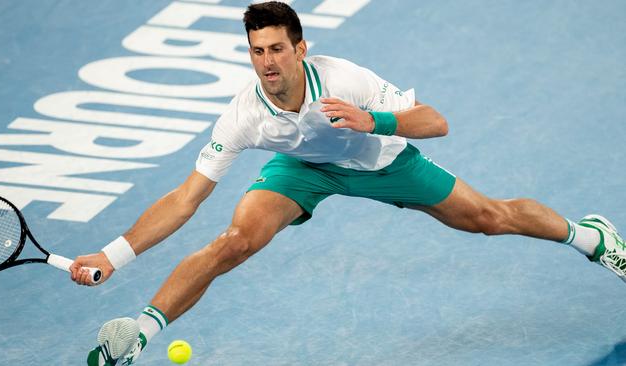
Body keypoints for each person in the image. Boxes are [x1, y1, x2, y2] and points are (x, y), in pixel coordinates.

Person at [72, 2, 625, 365]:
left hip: (381, 160)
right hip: (302, 170)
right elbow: (185, 199)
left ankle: (591, 237)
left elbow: (437, 122)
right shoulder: (243, 114)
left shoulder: (345, 79)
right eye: (257, 50)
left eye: (277, 49)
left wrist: (375, 121)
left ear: (300, 48)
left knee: (489, 219)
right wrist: (114, 255)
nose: (267, 61)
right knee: (234, 241)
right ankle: (136, 336)